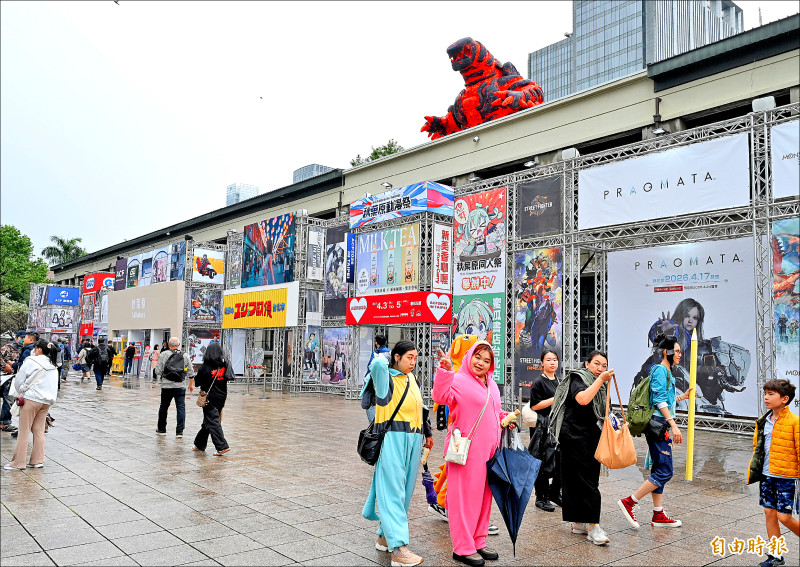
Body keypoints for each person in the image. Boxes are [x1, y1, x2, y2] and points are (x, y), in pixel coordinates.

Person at [433, 340, 516, 567]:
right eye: (477, 357)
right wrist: (444, 372)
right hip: (465, 452)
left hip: (489, 452)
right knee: (464, 500)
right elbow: (440, 398)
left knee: (484, 498)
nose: (481, 363)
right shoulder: (458, 379)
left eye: (486, 360)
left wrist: (505, 419)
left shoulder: (491, 384)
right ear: (469, 357)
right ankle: (462, 547)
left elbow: (495, 411)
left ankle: (478, 540)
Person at [362, 340, 430, 567]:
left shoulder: (411, 378)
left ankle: (384, 536)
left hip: (413, 439)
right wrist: (385, 356)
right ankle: (398, 548)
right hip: (392, 439)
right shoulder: (385, 379)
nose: (413, 362)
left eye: (415, 358)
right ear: (397, 357)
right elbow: (377, 366)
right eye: (408, 357)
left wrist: (427, 434)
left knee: (404, 493)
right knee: (392, 491)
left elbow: (420, 407)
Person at [618, 334, 693, 530]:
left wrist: (681, 397)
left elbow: (664, 399)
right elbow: (659, 401)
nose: (679, 354)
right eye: (676, 351)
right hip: (659, 426)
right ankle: (630, 502)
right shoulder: (660, 370)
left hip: (661, 424)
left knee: (659, 469)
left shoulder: (667, 371)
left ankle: (658, 514)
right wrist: (673, 424)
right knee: (665, 471)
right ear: (665, 352)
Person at [549, 350, 614, 546]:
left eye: (604, 365)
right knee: (586, 482)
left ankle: (578, 523)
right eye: (596, 364)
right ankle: (593, 526)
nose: (600, 368)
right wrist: (601, 379)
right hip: (574, 437)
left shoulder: (601, 384)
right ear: (587, 364)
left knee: (583, 480)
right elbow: (583, 399)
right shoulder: (578, 377)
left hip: (590, 437)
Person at [747, 379, 799, 567]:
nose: (766, 398)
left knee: (784, 516)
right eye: (765, 393)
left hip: (786, 477)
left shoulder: (795, 422)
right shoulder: (763, 421)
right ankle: (776, 556)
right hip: (767, 475)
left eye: (771, 394)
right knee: (769, 512)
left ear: (784, 399)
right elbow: (757, 447)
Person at [4, 340, 59, 470]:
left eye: (35, 348)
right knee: (38, 430)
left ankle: (18, 462)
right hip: (46, 402)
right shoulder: (53, 365)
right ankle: (37, 460)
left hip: (31, 399)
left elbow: (19, 379)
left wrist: (21, 390)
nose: (34, 350)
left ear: (39, 349)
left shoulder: (31, 361)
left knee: (24, 431)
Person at [529, 347, 562, 512]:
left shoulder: (559, 380)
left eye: (555, 359)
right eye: (548, 360)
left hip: (556, 426)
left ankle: (554, 493)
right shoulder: (538, 382)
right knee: (542, 461)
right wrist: (554, 399)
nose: (552, 362)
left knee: (558, 460)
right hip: (542, 427)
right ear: (542, 363)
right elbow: (534, 405)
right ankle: (541, 498)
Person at [192, 342, 230, 456]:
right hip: (222, 396)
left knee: (213, 421)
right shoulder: (224, 365)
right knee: (208, 420)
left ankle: (222, 446)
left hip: (209, 397)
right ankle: (199, 444)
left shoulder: (204, 367)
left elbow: (197, 383)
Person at [154, 337, 195, 438]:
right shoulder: (185, 355)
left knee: (164, 407)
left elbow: (157, 371)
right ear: (179, 344)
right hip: (180, 386)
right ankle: (179, 432)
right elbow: (191, 371)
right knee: (180, 408)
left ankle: (162, 429)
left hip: (166, 386)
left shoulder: (164, 354)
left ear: (169, 344)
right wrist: (191, 384)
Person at [360, 334, 391, 422]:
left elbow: (370, 367)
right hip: (387, 381)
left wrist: (366, 377)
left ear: (377, 343)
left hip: (374, 381)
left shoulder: (375, 354)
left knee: (368, 402)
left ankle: (373, 423)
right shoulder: (390, 353)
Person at [0, 331, 26, 434]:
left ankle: (4, 421)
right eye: (21, 337)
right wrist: (5, 366)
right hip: (4, 377)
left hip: (14, 377)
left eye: (25, 337)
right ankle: (5, 423)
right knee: (8, 399)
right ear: (16, 338)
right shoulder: (7, 348)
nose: (23, 339)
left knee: (9, 400)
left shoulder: (23, 350)